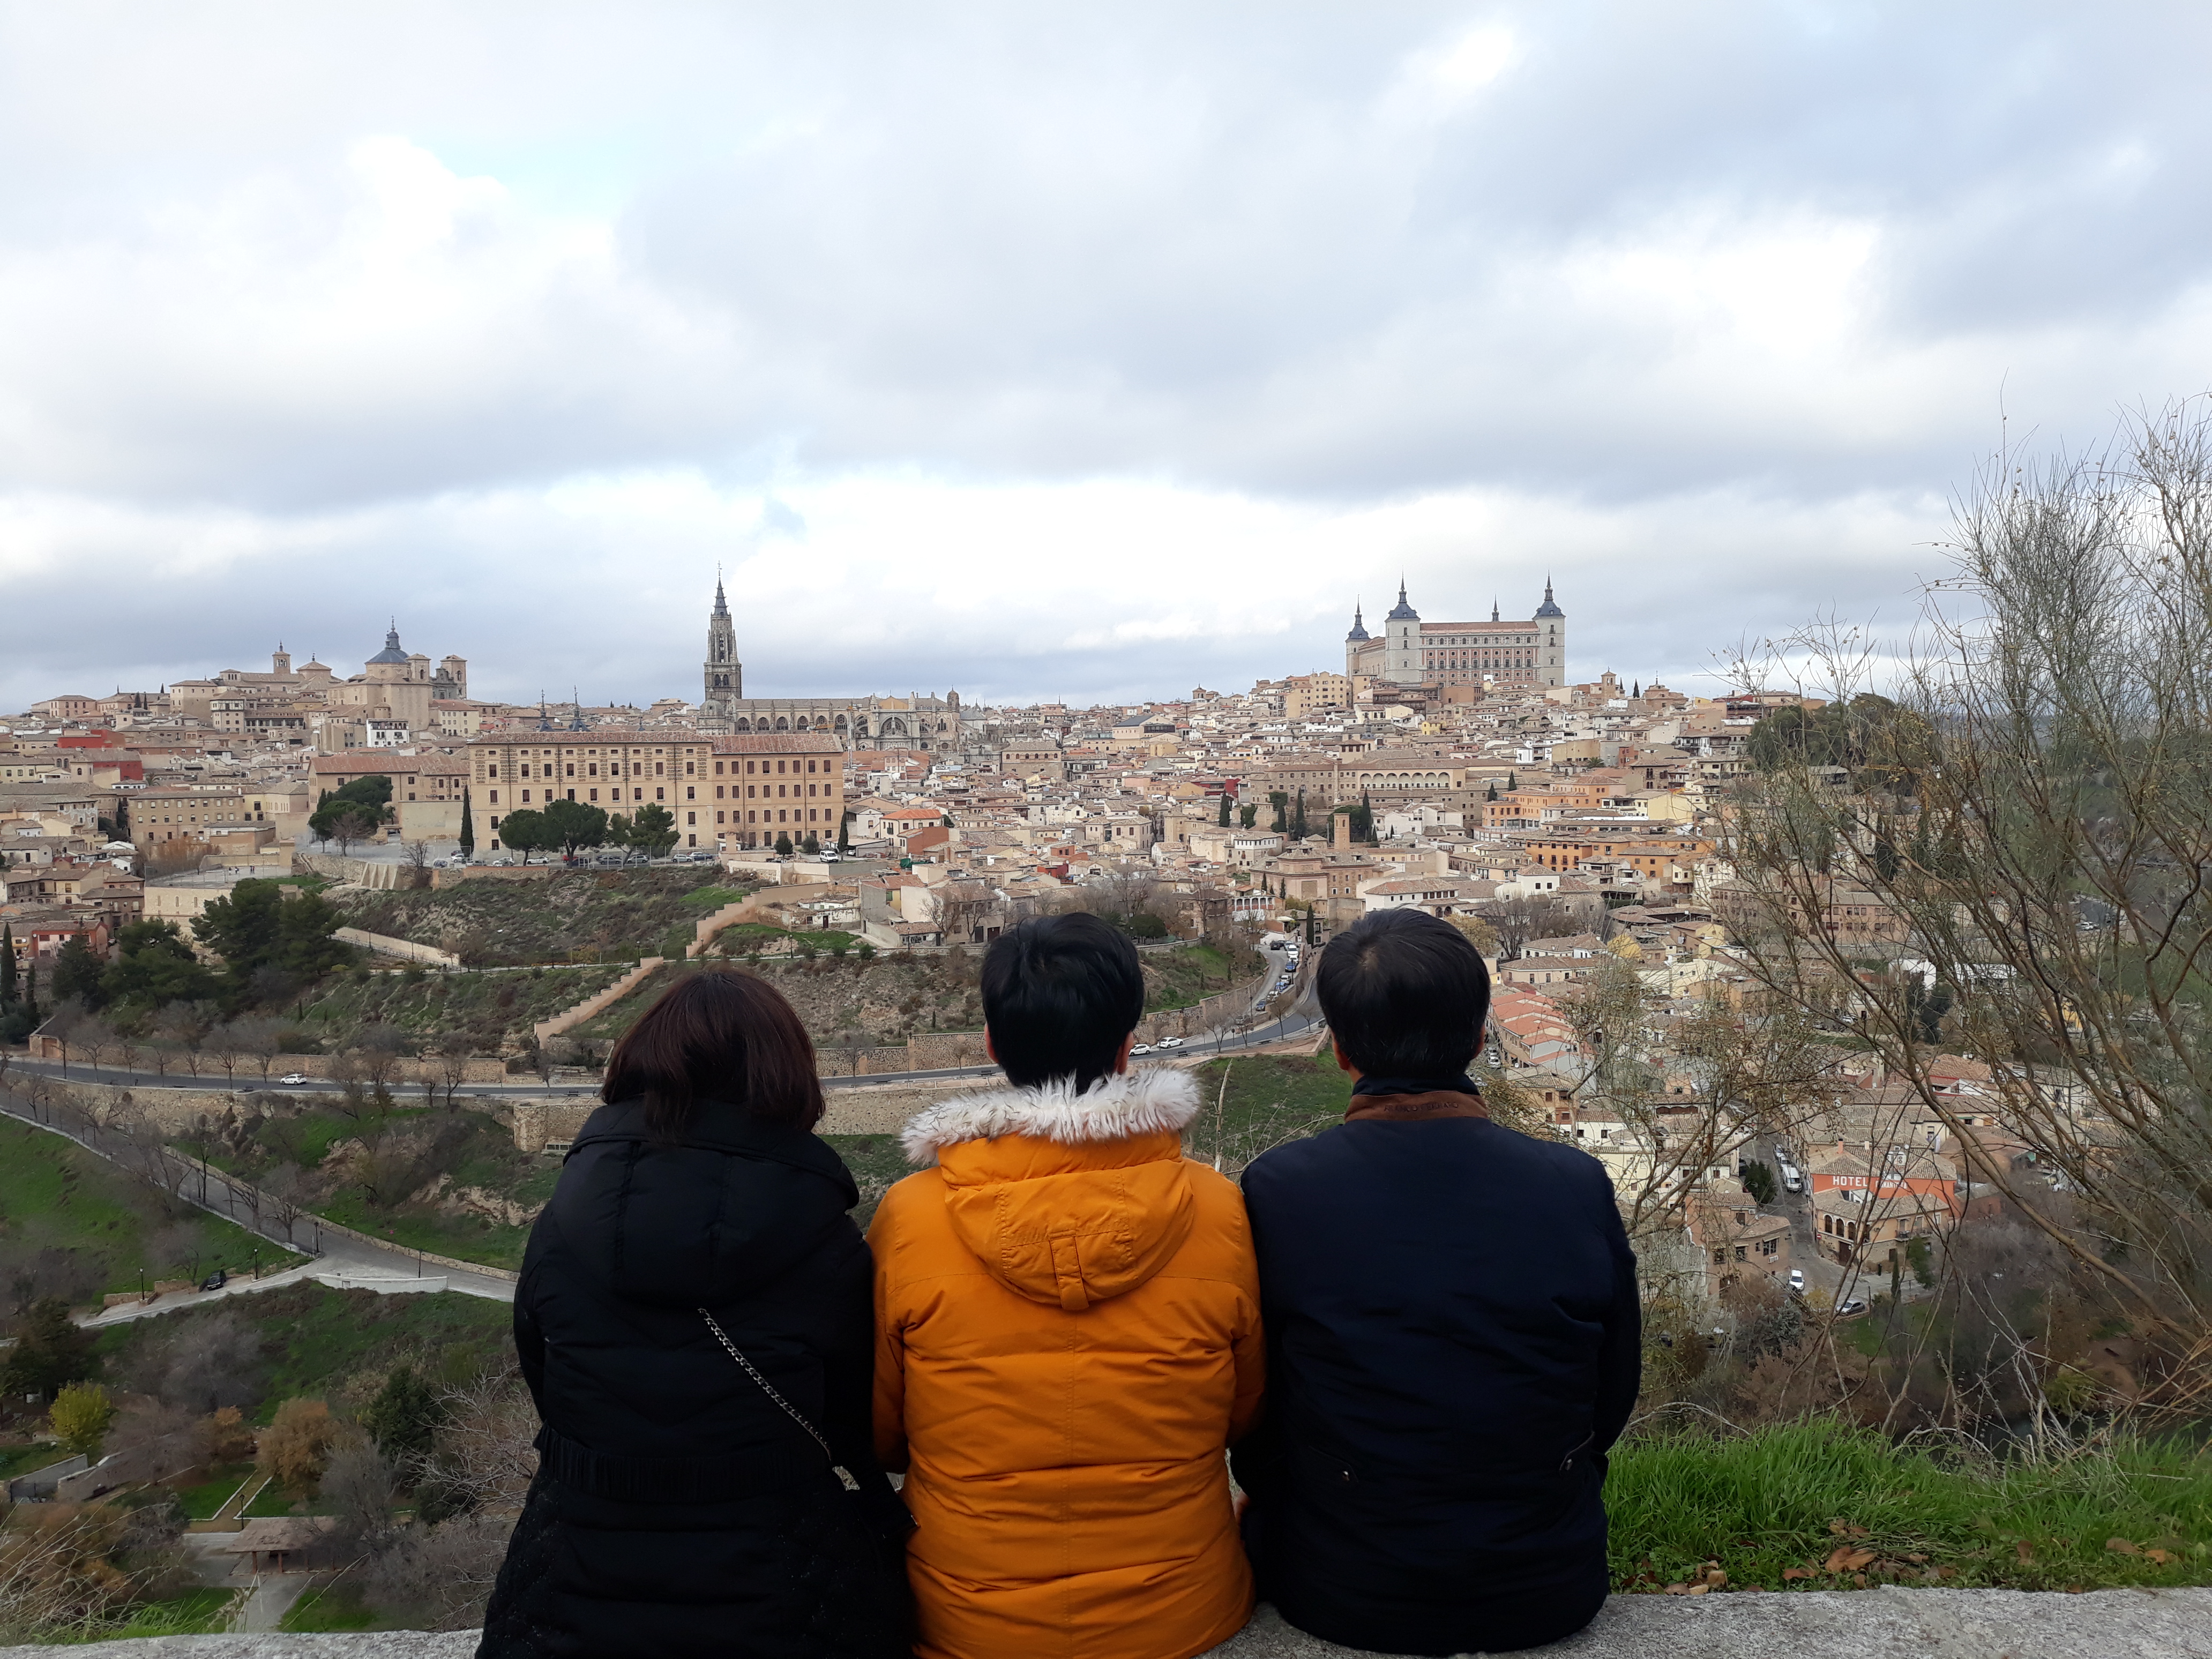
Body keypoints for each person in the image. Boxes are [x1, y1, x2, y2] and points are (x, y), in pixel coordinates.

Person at [1234, 908, 1640, 1656]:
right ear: (1480, 1037)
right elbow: (1611, 1392)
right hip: (1546, 1584)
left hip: (1337, 1585)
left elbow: (1254, 1408)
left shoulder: (1279, 1191)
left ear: (1341, 1051)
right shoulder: (1573, 1185)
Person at [479, 972, 910, 1659]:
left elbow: (547, 1381)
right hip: (781, 1589)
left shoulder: (561, 1226)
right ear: (783, 1077)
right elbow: (857, 1417)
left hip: (576, 1586)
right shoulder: (824, 1240)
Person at [869, 912, 1264, 1659]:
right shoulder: (1216, 1209)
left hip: (970, 1619)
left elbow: (887, 1436)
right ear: (1128, 1043)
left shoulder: (911, 1218)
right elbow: (1241, 1416)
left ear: (992, 1044)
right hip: (1182, 1613)